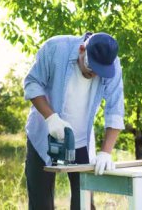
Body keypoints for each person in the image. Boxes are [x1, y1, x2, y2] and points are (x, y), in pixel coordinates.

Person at [23, 32, 125, 210]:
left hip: (81, 142)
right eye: (91, 67)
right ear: (82, 49)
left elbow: (115, 108)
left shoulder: (112, 64)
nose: (94, 74)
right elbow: (32, 83)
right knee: (40, 205)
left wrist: (106, 152)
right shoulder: (55, 48)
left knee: (83, 204)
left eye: (99, 72)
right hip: (43, 137)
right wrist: (51, 117)